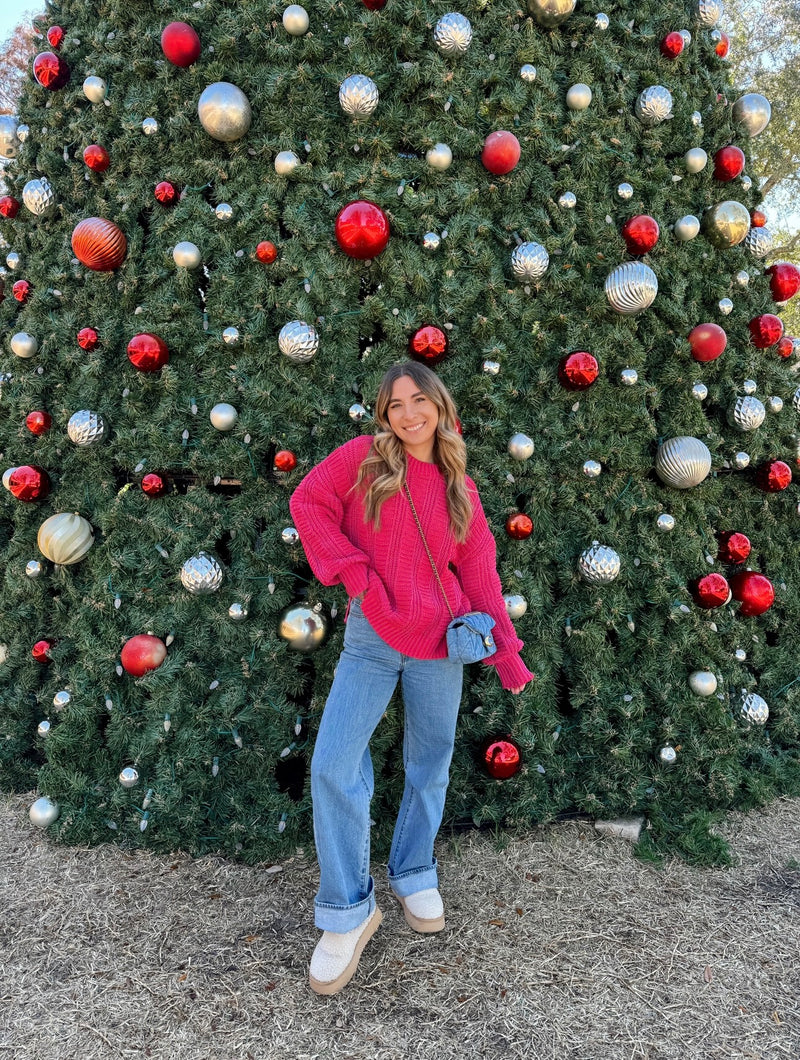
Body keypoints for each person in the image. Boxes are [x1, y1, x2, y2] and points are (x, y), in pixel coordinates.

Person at [289, 360, 534, 995]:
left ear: (440, 407)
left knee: (433, 758)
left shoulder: (461, 489)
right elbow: (307, 500)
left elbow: (481, 577)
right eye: (395, 404)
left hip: (441, 643)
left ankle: (413, 869)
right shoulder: (362, 459)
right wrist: (356, 574)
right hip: (371, 636)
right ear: (385, 414)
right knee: (333, 764)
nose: (407, 414)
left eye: (418, 400)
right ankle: (348, 910)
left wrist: (506, 652)